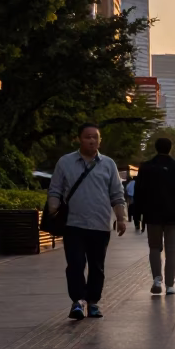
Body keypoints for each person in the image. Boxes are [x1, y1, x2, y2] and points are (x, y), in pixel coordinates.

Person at [47, 123, 127, 320]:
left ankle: (93, 302)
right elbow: (55, 189)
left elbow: (117, 193)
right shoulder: (65, 162)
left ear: (100, 140)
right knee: (75, 264)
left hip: (100, 225)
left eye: (95, 137)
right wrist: (52, 209)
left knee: (97, 266)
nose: (92, 140)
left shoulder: (108, 164)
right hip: (73, 224)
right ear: (79, 139)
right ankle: (78, 301)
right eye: (87, 137)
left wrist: (121, 218)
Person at [135, 137, 175, 296]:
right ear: (170, 148)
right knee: (171, 250)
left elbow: (139, 193)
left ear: (155, 147)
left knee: (154, 248)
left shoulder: (146, 167)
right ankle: (170, 285)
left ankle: (156, 279)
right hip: (173, 216)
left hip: (152, 215)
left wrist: (137, 215)